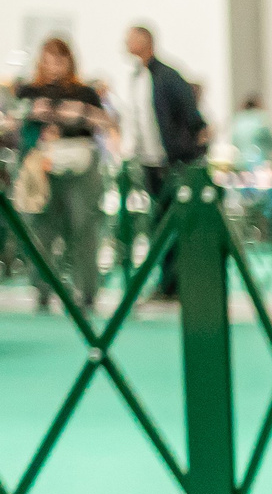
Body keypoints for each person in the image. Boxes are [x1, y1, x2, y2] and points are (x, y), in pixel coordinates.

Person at [9, 37, 111, 317]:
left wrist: (82, 114)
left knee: (83, 226)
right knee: (41, 230)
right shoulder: (29, 91)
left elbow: (107, 123)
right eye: (49, 58)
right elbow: (11, 123)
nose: (54, 65)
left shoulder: (85, 93)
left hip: (79, 167)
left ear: (70, 60)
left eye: (60, 58)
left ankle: (87, 291)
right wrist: (33, 114)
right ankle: (42, 289)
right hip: (41, 166)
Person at [116, 23, 209, 301]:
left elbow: (191, 117)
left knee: (176, 224)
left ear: (146, 42)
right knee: (160, 224)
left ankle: (180, 283)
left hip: (174, 163)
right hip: (150, 163)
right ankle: (168, 284)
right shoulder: (136, 78)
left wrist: (186, 149)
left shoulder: (168, 76)